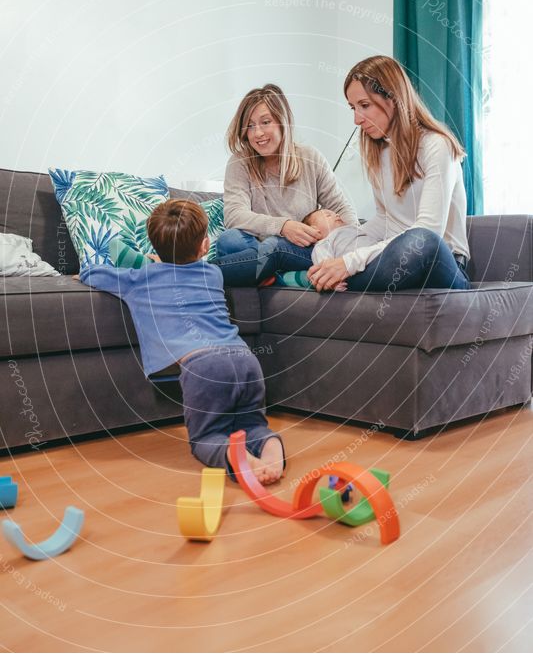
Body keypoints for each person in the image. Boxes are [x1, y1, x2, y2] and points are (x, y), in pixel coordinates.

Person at [78, 200, 285, 485]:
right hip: (245, 359)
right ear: (204, 246)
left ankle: (241, 462)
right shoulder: (213, 274)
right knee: (252, 425)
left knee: (206, 437)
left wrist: (149, 263)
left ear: (154, 247)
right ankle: (271, 452)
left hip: (204, 367)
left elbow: (93, 272)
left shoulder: (140, 279)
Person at [308, 55, 471, 293]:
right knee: (330, 244)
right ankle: (330, 276)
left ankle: (331, 281)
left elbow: (428, 230)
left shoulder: (437, 145)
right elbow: (385, 220)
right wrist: (333, 246)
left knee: (421, 241)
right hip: (394, 258)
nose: (356, 119)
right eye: (353, 108)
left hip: (439, 263)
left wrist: (350, 262)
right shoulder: (379, 150)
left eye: (364, 105)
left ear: (393, 98)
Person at [213, 83, 357, 286]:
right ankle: (278, 278)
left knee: (275, 247)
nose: (258, 133)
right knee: (230, 240)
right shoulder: (240, 163)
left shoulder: (310, 158)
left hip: (298, 251)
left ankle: (190, 273)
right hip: (254, 247)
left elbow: (341, 207)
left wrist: (352, 250)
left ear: (283, 122)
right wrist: (283, 226)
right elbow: (234, 215)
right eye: (250, 126)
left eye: (265, 122)